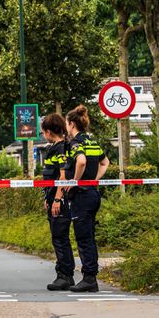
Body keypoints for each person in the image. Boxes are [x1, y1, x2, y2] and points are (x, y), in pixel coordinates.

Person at [65, 104, 108, 293]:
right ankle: (90, 275)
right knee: (89, 236)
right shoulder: (93, 142)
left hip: (82, 195)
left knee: (83, 238)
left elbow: (81, 161)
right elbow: (105, 162)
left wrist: (75, 181)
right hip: (92, 193)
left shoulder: (76, 143)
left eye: (67, 124)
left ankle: (89, 278)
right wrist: (94, 180)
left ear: (72, 124)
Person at [39, 113, 75, 291]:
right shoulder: (56, 147)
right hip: (54, 198)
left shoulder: (60, 148)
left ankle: (65, 275)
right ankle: (64, 274)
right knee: (58, 237)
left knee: (60, 238)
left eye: (43, 132)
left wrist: (57, 199)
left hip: (60, 201)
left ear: (48, 131)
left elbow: (62, 176)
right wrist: (48, 197)